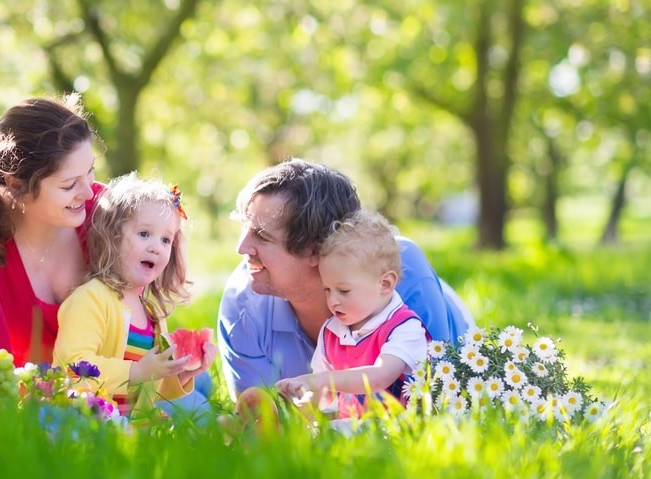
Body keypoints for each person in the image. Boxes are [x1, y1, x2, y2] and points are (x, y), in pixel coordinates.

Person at [218, 159, 473, 401]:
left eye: (261, 236)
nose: (241, 248)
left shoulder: (399, 270)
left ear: (315, 249)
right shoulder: (242, 303)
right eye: (245, 228)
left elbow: (438, 397)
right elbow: (261, 419)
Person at [0, 95, 102, 366]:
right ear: (16, 184)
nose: (88, 192)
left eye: (90, 172)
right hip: (15, 399)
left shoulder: (106, 214)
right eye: (69, 184)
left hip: (108, 396)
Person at [53, 174, 218, 415]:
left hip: (138, 422)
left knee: (201, 396)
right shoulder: (90, 299)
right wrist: (135, 372)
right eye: (144, 234)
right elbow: (73, 367)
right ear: (112, 237)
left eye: (166, 240)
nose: (156, 247)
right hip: (94, 418)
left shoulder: (149, 310)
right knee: (200, 411)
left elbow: (151, 390)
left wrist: (183, 373)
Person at [275, 210, 428, 419]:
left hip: (397, 431)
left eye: (344, 291)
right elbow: (324, 394)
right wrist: (302, 399)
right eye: (327, 290)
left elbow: (379, 377)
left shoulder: (404, 327)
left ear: (385, 284)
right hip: (352, 429)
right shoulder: (332, 331)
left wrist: (321, 381)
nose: (332, 300)